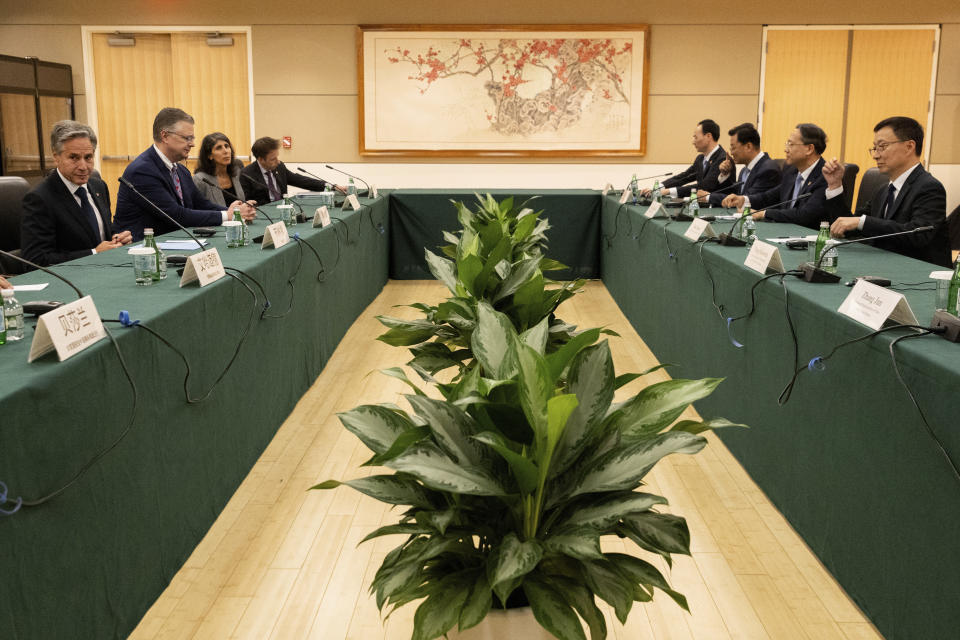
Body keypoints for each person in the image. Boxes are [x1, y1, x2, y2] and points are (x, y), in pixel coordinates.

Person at [823, 116, 950, 267]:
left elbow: (918, 235)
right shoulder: (883, 190)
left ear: (909, 146)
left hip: (919, 274)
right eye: (875, 148)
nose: (876, 155)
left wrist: (862, 222)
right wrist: (835, 186)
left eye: (882, 147)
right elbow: (847, 227)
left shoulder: (929, 187)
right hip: (883, 266)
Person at [114, 108, 255, 241]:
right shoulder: (143, 170)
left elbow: (201, 204)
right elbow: (176, 215)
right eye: (187, 138)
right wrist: (228, 215)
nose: (192, 144)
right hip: (142, 250)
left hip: (175, 241)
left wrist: (236, 212)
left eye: (192, 138)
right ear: (165, 136)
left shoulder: (181, 170)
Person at [20, 120, 132, 266]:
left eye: (88, 157)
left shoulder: (98, 186)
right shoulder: (39, 199)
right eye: (74, 158)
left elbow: (101, 232)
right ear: (56, 157)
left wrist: (118, 238)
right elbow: (35, 261)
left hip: (107, 270)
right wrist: (94, 253)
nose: (83, 166)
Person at [724, 123, 830, 229]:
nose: (786, 149)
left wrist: (764, 214)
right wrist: (743, 199)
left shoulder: (825, 176)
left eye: (791, 144)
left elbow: (805, 215)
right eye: (787, 144)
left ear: (809, 149)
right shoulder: (791, 170)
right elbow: (770, 196)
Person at [643, 119, 735, 199]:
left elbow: (705, 186)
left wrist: (668, 191)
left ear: (708, 136)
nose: (693, 142)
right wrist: (658, 188)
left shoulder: (722, 159)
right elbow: (684, 177)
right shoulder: (700, 159)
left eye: (695, 137)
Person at [702, 123, 780, 207]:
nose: (731, 152)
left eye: (733, 148)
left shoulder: (768, 170)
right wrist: (725, 175)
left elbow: (746, 199)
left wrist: (709, 197)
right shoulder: (744, 170)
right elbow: (735, 195)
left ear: (748, 147)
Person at [239, 137, 333, 206]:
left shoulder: (279, 167)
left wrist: (329, 186)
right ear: (260, 159)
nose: (278, 161)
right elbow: (247, 203)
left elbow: (300, 180)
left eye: (277, 157)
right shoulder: (247, 174)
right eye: (273, 159)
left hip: (284, 210)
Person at [193, 132, 252, 208]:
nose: (225, 151)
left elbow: (241, 201)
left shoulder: (236, 172)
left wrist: (246, 206)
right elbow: (199, 211)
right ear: (210, 155)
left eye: (227, 146)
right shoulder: (200, 180)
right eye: (219, 148)